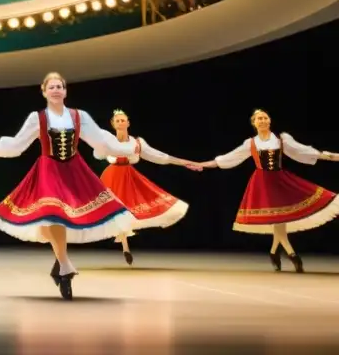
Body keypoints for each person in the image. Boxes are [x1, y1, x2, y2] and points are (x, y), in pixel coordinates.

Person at [0, 72, 137, 300]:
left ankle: (60, 265)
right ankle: (64, 265)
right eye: (51, 87)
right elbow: (17, 144)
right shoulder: (38, 118)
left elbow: (101, 142)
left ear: (65, 91)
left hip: (73, 170)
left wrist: (126, 150)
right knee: (52, 216)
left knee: (54, 222)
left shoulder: (79, 116)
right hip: (48, 170)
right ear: (44, 91)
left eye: (59, 86)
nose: (56, 90)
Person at [195, 109, 339, 272]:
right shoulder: (250, 143)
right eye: (259, 119)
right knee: (278, 220)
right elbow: (230, 158)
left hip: (280, 180)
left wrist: (332, 156)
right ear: (254, 123)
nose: (262, 120)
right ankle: (293, 255)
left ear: (269, 121)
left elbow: (304, 151)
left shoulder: (281, 139)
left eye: (265, 118)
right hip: (262, 183)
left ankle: (273, 252)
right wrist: (203, 164)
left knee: (280, 219)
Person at [94, 110, 199, 265]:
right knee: (114, 211)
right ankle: (125, 247)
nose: (121, 123)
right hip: (111, 177)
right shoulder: (107, 141)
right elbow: (97, 155)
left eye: (123, 120)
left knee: (127, 210)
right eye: (118, 121)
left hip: (128, 177)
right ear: (112, 124)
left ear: (128, 123)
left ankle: (125, 248)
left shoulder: (137, 143)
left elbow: (160, 157)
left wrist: (184, 162)